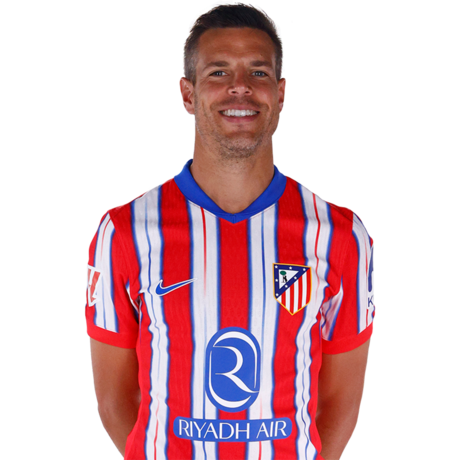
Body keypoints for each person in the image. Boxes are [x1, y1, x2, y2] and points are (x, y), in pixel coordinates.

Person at [84, 2, 377, 459]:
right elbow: (116, 400)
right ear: (187, 93)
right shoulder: (124, 233)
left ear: (281, 93)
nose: (240, 87)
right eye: (218, 72)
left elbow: (340, 402)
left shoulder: (340, 236)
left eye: (258, 73)